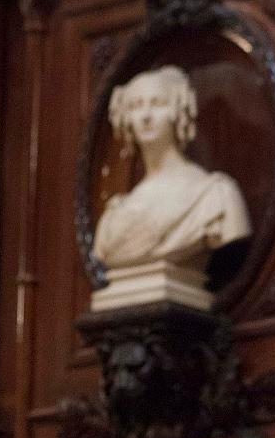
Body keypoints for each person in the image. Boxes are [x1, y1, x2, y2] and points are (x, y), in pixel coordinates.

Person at [92, 65, 251, 278]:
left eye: (158, 103)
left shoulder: (216, 196)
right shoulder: (113, 216)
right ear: (126, 117)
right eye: (136, 106)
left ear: (178, 112)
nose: (146, 116)